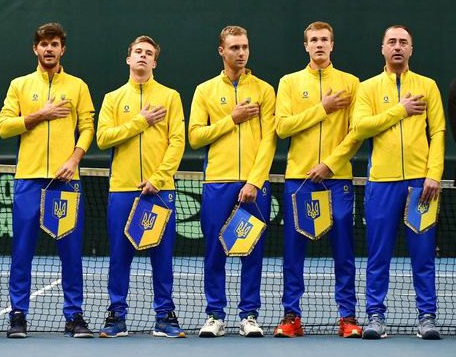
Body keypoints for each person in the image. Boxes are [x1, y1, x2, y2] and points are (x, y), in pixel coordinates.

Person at [0, 22, 95, 338]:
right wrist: (41, 114)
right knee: (21, 251)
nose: (49, 49)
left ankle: (74, 316)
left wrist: (74, 159)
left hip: (65, 181)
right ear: (35, 49)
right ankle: (18, 315)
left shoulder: (78, 86)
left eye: (54, 44)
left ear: (62, 49)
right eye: (44, 44)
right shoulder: (19, 85)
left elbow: (88, 128)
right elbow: (4, 127)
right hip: (28, 179)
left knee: (71, 252)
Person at [352, 25, 444, 340]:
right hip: (381, 184)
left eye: (403, 42)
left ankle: (427, 317)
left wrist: (433, 174)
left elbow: (439, 132)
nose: (397, 47)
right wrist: (400, 110)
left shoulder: (428, 86)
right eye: (391, 42)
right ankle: (375, 316)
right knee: (378, 254)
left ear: (411, 49)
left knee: (423, 253)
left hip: (420, 185)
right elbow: (361, 127)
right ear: (382, 48)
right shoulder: (367, 88)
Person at [274, 22, 362, 338]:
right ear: (306, 46)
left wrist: (330, 164)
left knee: (344, 251)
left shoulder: (351, 83)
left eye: (325, 39)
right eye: (314, 40)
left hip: (337, 179)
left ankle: (348, 317)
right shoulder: (289, 83)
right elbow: (282, 127)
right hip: (299, 179)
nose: (319, 44)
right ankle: (291, 317)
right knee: (292, 252)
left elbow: (356, 133)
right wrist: (322, 108)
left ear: (332, 45)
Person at [188, 26, 276, 338]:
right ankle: (215, 315)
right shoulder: (205, 91)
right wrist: (231, 119)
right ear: (221, 51)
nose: (241, 52)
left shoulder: (265, 90)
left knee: (253, 249)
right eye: (235, 47)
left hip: (254, 185)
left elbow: (269, 141)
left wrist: (255, 181)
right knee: (215, 250)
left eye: (245, 47)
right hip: (217, 182)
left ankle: (249, 315)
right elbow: (195, 137)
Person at [97, 35, 186, 338]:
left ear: (154, 62)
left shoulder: (171, 97)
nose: (143, 56)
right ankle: (116, 315)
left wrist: (158, 179)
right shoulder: (112, 98)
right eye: (138, 52)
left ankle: (165, 316)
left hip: (160, 191)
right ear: (128, 58)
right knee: (119, 257)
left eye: (149, 53)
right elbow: (103, 138)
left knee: (162, 258)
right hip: (123, 190)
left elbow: (177, 142)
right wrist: (140, 121)